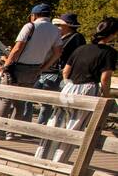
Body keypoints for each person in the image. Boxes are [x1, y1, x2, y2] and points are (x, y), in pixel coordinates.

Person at [36, 16, 118, 164]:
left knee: (55, 122)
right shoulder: (109, 53)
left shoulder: (81, 49)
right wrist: (105, 98)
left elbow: (66, 72)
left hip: (69, 88)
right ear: (112, 34)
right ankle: (58, 163)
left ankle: (41, 158)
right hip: (88, 89)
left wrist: (69, 85)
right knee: (74, 128)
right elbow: (105, 79)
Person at [0, 3, 63, 140]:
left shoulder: (30, 26)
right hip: (35, 68)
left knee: (5, 99)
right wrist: (44, 67)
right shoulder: (55, 30)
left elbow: (18, 48)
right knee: (21, 101)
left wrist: (5, 65)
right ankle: (11, 132)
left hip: (17, 67)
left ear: (34, 15)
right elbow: (58, 52)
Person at [32, 13, 86, 131]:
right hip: (47, 70)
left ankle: (41, 126)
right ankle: (38, 125)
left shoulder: (76, 38)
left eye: (59, 25)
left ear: (67, 26)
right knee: (32, 96)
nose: (57, 27)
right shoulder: (60, 37)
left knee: (47, 101)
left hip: (57, 72)